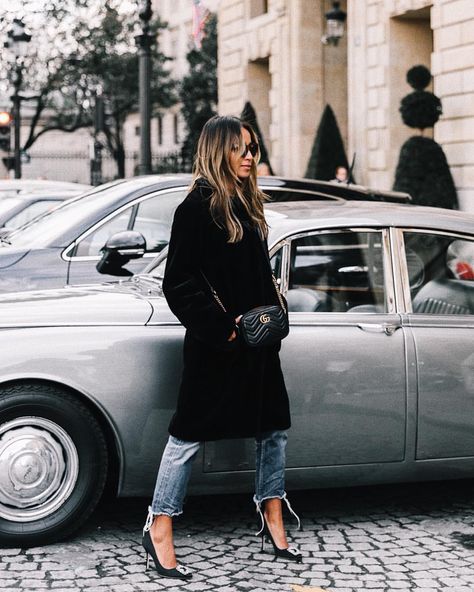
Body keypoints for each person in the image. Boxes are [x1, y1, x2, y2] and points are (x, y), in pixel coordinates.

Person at [142, 115, 302, 580]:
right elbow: (178, 282)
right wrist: (223, 329)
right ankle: (160, 525)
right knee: (187, 436)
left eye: (253, 147)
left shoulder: (248, 206)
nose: (250, 156)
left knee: (273, 430)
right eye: (240, 148)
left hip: (259, 345)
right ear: (218, 151)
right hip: (218, 346)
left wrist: (269, 309)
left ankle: (272, 515)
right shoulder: (196, 208)